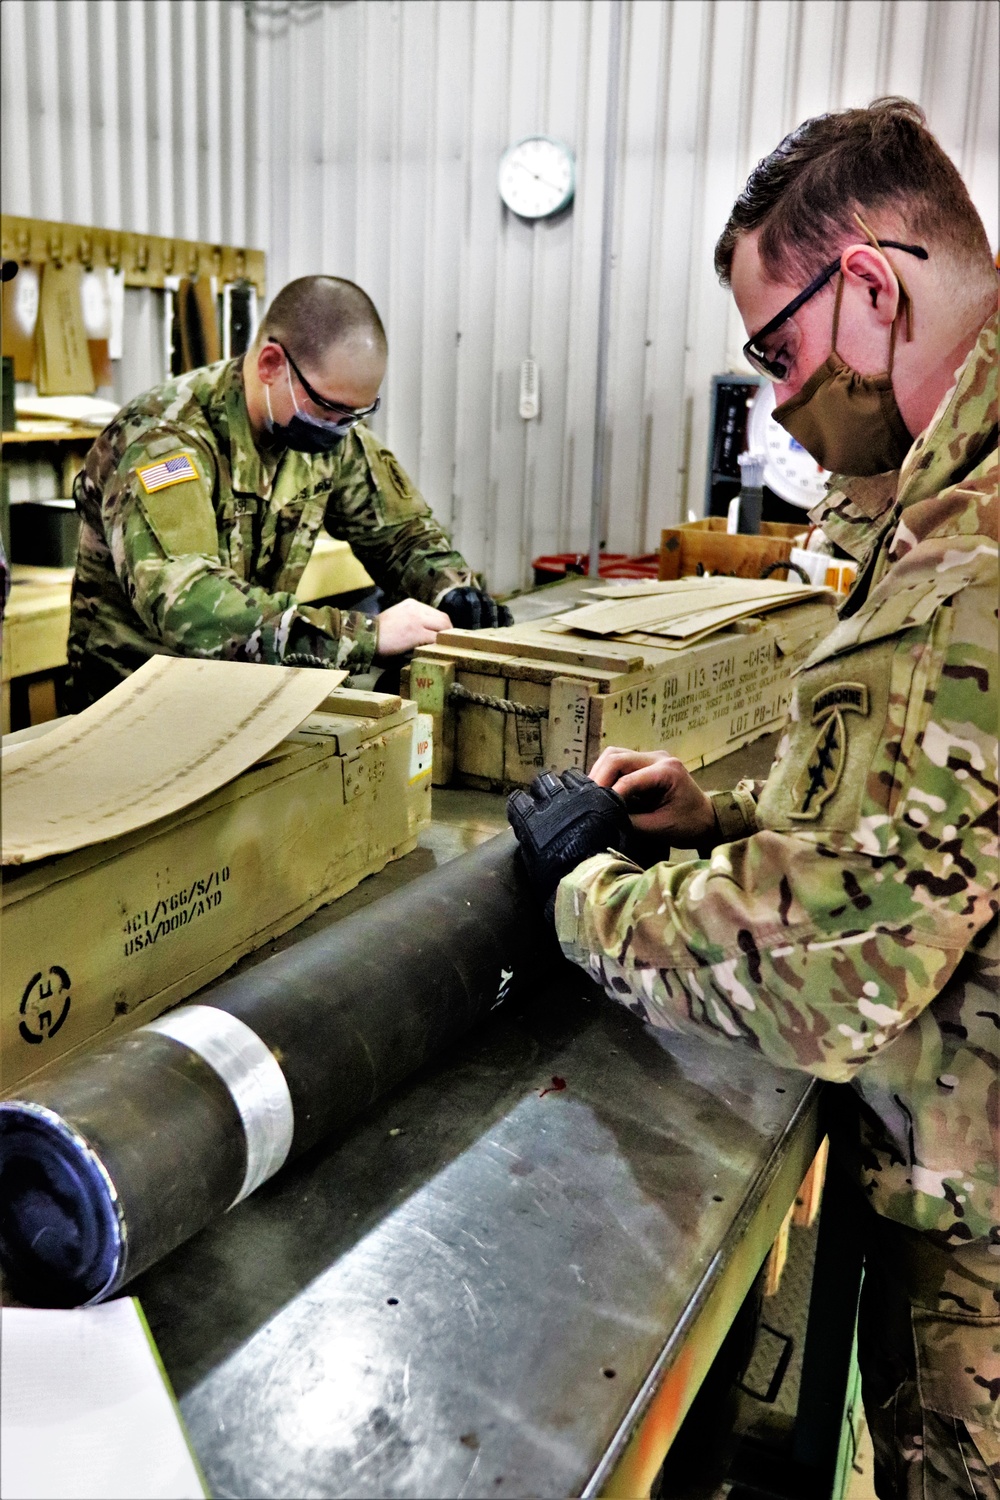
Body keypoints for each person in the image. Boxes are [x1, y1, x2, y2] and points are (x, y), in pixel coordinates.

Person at [507, 99, 998, 1498]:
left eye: (776, 349)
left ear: (869, 286)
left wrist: (584, 897)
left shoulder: (974, 551)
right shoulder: (946, 487)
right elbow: (942, 822)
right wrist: (727, 827)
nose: (779, 395)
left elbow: (833, 978)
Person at [66, 275, 508, 708]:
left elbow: (399, 534)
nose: (342, 429)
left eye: (358, 413)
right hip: (136, 706)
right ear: (271, 364)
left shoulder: (322, 432)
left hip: (241, 694)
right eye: (332, 408)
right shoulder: (164, 441)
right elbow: (190, 607)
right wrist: (366, 636)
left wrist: (449, 590)